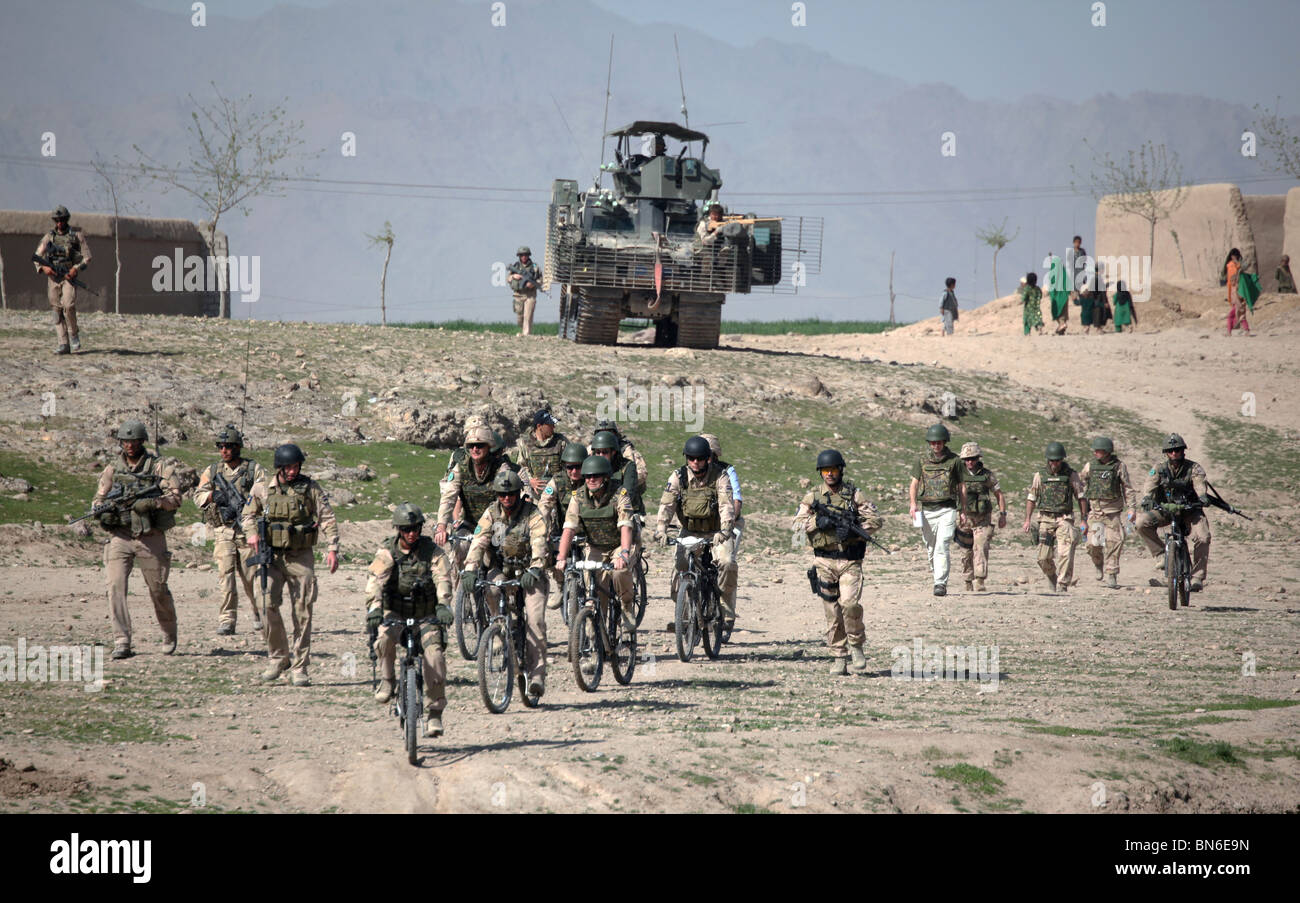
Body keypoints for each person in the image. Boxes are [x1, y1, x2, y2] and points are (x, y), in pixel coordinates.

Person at [242, 443, 340, 686]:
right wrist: (251, 533)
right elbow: (247, 515)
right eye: (289, 467)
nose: (293, 471)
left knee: (303, 610)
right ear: (280, 468)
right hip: (271, 556)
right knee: (265, 603)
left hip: (300, 555)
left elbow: (327, 518)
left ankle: (300, 667)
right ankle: (278, 657)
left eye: (296, 466)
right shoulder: (263, 487)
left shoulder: (310, 488)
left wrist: (332, 549)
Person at [93, 420, 182, 660]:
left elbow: (175, 498)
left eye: (134, 441)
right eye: (125, 441)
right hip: (120, 536)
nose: (129, 445)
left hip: (150, 537)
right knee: (115, 587)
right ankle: (122, 640)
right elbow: (98, 498)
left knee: (158, 589)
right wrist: (103, 509)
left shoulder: (158, 466)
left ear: (142, 441)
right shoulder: (113, 469)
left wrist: (154, 502)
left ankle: (168, 632)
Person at [364, 504, 453, 737]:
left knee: (434, 655)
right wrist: (375, 609)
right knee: (383, 639)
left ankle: (435, 713)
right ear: (398, 530)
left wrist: (443, 605)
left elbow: (443, 577)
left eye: (415, 528)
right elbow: (375, 580)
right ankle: (388, 680)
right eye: (406, 529)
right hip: (396, 614)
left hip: (426, 615)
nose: (411, 533)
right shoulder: (387, 551)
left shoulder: (432, 551)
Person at [794, 450, 883, 676]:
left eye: (833, 469)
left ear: (840, 470)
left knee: (849, 604)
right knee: (832, 612)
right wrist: (818, 521)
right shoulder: (813, 497)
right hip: (824, 561)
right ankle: (839, 656)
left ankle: (856, 645)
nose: (830, 474)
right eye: (825, 470)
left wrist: (856, 531)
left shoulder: (854, 495)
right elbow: (797, 525)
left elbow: (875, 519)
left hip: (850, 560)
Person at [465, 470, 550, 697]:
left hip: (531, 575)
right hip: (502, 572)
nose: (507, 498)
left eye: (511, 494)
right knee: (490, 588)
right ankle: (498, 627)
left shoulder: (532, 513)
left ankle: (537, 674)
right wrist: (470, 569)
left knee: (535, 621)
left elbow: (540, 540)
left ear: (517, 493)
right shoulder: (491, 513)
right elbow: (479, 540)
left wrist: (535, 567)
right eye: (502, 495)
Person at [653, 436, 738, 625]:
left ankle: (724, 608)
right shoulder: (678, 476)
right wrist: (661, 529)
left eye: (700, 458)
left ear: (708, 458)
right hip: (690, 532)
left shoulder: (720, 476)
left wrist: (725, 530)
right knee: (681, 569)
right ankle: (684, 620)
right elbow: (667, 504)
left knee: (727, 563)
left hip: (716, 531)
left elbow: (726, 505)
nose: (695, 462)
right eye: (691, 458)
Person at [192, 425, 268, 635]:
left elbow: (264, 494)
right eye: (220, 446)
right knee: (225, 577)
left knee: (251, 577)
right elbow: (198, 496)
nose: (223, 450)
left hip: (247, 531)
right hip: (223, 531)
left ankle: (257, 612)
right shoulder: (213, 471)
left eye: (228, 446)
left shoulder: (254, 470)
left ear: (238, 447)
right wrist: (212, 496)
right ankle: (227, 620)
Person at [556, 455, 638, 644]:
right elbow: (569, 528)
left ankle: (626, 607)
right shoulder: (578, 498)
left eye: (596, 476)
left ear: (606, 477)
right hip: (595, 547)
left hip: (619, 544)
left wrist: (624, 554)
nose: (590, 480)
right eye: (587, 477)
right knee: (594, 595)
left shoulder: (620, 494)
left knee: (619, 572)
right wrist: (561, 557)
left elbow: (625, 525)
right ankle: (595, 647)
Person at [436, 424, 519, 576]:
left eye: (480, 445)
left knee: (502, 564)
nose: (475, 449)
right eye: (472, 446)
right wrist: (441, 526)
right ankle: (463, 592)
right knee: (459, 549)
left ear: (489, 447)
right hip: (470, 523)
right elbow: (448, 497)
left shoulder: (501, 468)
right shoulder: (461, 467)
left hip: (497, 523)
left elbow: (509, 496)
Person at [1135, 433, 1211, 592]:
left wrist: (1202, 496)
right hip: (1166, 509)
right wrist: (1147, 498)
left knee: (1203, 537)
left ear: (1183, 451)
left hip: (1190, 510)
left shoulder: (1194, 468)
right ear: (1166, 453)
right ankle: (1161, 555)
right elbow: (1149, 485)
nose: (1174, 453)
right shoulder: (1159, 468)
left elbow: (1199, 483)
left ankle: (1197, 576)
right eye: (1171, 451)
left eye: (1177, 450)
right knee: (1141, 523)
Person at [908, 423, 966, 596]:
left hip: (948, 509)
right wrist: (913, 504)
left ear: (945, 442)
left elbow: (962, 486)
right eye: (933, 443)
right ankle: (937, 576)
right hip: (926, 510)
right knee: (931, 547)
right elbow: (914, 483)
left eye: (939, 442)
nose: (936, 445)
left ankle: (940, 583)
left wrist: (963, 510)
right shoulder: (920, 460)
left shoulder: (955, 461)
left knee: (942, 545)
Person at [1022, 441, 1085, 593]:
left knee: (1065, 552)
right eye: (1052, 460)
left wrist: (1084, 519)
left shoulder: (1071, 475)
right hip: (1045, 519)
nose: (1054, 463)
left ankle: (1063, 584)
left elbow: (1081, 497)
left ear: (1062, 459)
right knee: (1043, 557)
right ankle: (1051, 576)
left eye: (1057, 460)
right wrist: (1027, 519)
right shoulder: (1040, 476)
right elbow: (1032, 498)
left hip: (1064, 519)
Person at [1079, 436, 1138, 589]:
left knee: (1114, 542)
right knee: (1093, 544)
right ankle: (1098, 563)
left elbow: (1127, 488)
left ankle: (1112, 574)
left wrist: (1131, 508)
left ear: (1107, 452)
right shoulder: (1090, 466)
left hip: (1112, 513)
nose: (1096, 453)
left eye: (1099, 450)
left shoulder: (1119, 466)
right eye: (1095, 450)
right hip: (1095, 512)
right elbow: (1081, 483)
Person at [536, 442, 589, 609]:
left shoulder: (592, 479)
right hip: (564, 530)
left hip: (589, 532)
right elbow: (544, 506)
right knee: (548, 552)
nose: (574, 471)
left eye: (578, 467)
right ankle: (560, 586)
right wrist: (540, 531)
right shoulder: (557, 481)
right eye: (570, 467)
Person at [699, 433, 742, 633]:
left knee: (727, 563)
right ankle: (686, 615)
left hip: (724, 525)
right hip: (698, 527)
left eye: (706, 455)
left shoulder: (727, 471)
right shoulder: (687, 472)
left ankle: (726, 612)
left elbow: (736, 502)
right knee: (683, 565)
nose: (701, 460)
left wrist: (727, 525)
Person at [34, 205, 92, 355]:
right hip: (53, 278)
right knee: (56, 310)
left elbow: (87, 258)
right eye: (57, 220)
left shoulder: (76, 236)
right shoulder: (49, 237)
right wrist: (43, 268)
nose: (59, 223)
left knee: (69, 305)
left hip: (68, 277)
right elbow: (37, 256)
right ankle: (63, 343)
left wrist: (76, 269)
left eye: (62, 220)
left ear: (66, 220)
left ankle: (74, 334)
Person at [956, 443, 1007, 592]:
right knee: (966, 552)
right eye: (967, 459)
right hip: (964, 519)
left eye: (973, 458)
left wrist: (1002, 514)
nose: (970, 462)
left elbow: (999, 494)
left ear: (978, 458)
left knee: (981, 547)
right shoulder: (958, 475)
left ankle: (980, 580)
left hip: (983, 519)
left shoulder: (987, 475)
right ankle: (967, 580)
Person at [512, 410, 569, 500]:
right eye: (550, 425)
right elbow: (521, 468)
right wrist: (530, 481)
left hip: (558, 493)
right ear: (539, 426)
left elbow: (569, 466)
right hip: (534, 495)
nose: (553, 427)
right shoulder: (525, 443)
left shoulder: (561, 441)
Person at [507, 246, 542, 335]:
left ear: (528, 255)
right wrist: (513, 276)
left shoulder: (535, 267)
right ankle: (523, 330)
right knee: (520, 318)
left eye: (526, 255)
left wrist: (533, 284)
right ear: (519, 256)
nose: (524, 257)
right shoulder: (516, 266)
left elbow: (541, 280)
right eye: (522, 255)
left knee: (528, 317)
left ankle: (526, 335)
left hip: (530, 295)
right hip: (518, 295)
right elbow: (508, 279)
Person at [1224, 248, 1251, 336]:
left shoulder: (1237, 266)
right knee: (1240, 314)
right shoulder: (1231, 265)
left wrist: (1237, 262)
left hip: (1238, 295)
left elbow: (1245, 266)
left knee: (1233, 315)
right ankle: (1245, 330)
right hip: (1235, 294)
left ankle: (1229, 332)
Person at [1046, 252, 1071, 333]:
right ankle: (1062, 326)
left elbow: (1052, 283)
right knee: (1063, 312)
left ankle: (1062, 324)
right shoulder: (1064, 273)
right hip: (1064, 296)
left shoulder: (1053, 272)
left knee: (1056, 311)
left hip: (1057, 297)